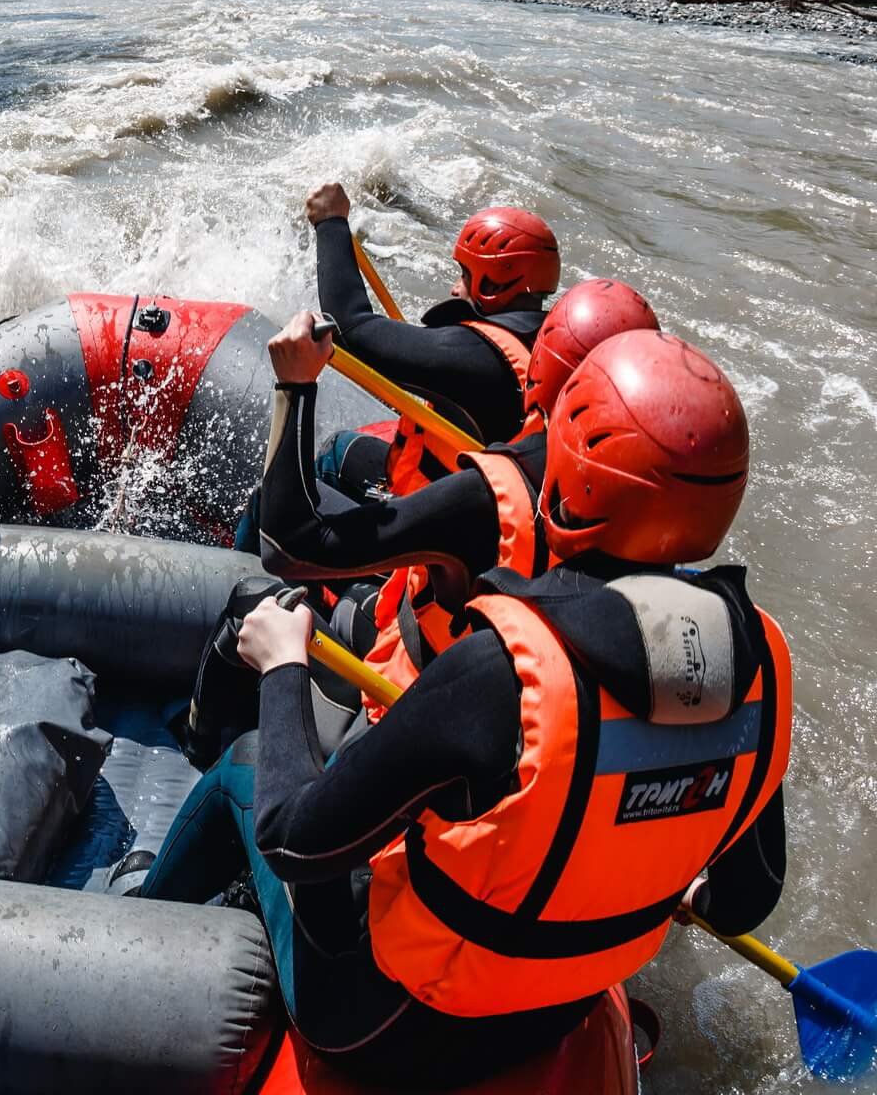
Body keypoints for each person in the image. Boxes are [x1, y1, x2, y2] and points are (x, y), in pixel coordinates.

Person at [133, 329, 791, 1089]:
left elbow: (296, 843)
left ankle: (136, 917)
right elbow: (745, 899)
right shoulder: (765, 668)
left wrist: (283, 666)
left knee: (244, 767)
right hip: (555, 1013)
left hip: (382, 1027)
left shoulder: (504, 670)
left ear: (570, 471)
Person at [190, 279, 660, 762]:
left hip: (406, 724)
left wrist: (294, 388)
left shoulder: (494, 493)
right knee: (359, 600)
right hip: (507, 731)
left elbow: (289, 547)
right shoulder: (661, 543)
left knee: (251, 603)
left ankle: (195, 751)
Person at [296, 182, 561, 507]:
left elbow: (350, 326)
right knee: (342, 448)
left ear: (493, 283)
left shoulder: (474, 356)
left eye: (465, 275)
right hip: (491, 507)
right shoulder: (553, 343)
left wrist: (330, 222)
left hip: (441, 523)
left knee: (277, 494)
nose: (454, 289)